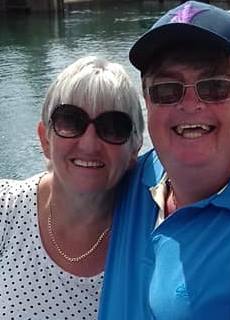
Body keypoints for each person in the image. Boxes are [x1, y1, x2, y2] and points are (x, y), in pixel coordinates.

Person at [98, 1, 230, 319]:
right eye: (167, 90)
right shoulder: (136, 178)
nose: (190, 104)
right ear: (147, 102)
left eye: (214, 87)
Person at [0, 56, 144, 319]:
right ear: (45, 138)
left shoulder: (152, 236)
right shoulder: (5, 209)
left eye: (112, 127)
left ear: (134, 148)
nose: (89, 144)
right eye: (70, 121)